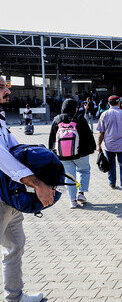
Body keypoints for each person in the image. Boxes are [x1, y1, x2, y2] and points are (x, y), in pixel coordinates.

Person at [0, 75, 53, 302]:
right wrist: (38, 184)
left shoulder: (0, 119)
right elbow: (3, 158)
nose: (7, 91)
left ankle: (15, 297)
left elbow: (17, 150)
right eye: (1, 86)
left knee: (15, 247)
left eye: (6, 86)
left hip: (8, 197)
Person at [48, 99, 96, 208]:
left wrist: (52, 152)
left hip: (63, 155)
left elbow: (52, 138)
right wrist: (92, 148)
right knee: (84, 170)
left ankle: (72, 201)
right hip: (81, 153)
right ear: (75, 107)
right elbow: (88, 135)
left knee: (69, 177)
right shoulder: (79, 118)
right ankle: (81, 193)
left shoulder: (57, 119)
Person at [96, 95, 122, 197]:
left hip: (109, 145)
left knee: (111, 164)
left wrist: (98, 145)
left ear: (108, 103)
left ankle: (112, 183)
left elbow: (101, 133)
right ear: (119, 103)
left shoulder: (104, 115)